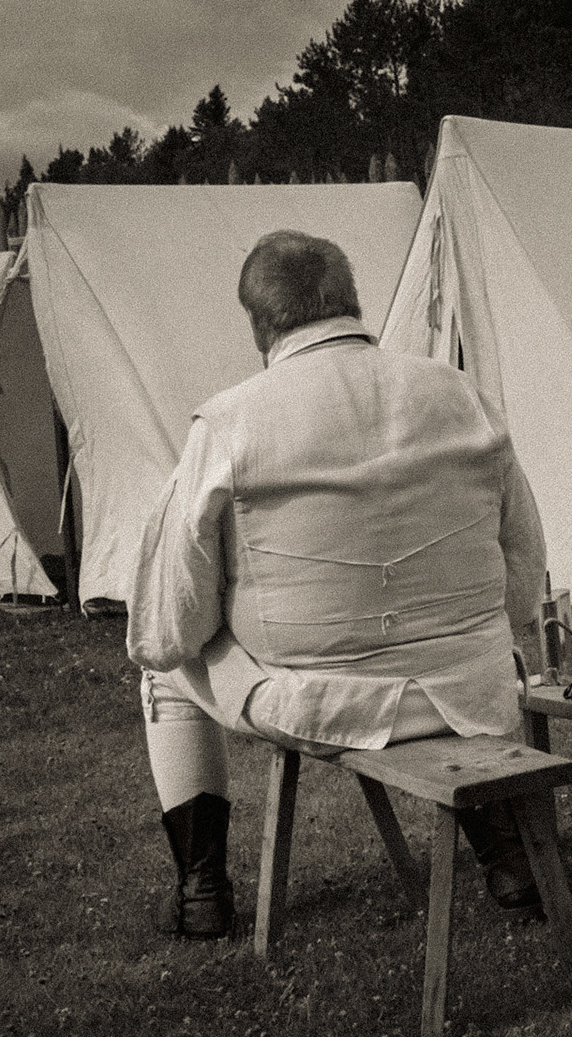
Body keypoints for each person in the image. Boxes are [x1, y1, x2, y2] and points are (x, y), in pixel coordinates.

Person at [127, 229, 548, 938]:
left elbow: (172, 626)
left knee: (165, 667)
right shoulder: (459, 394)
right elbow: (523, 570)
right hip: (474, 687)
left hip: (320, 701)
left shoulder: (228, 424)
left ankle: (202, 892)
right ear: (351, 300)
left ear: (260, 325)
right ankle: (508, 859)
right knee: (448, 654)